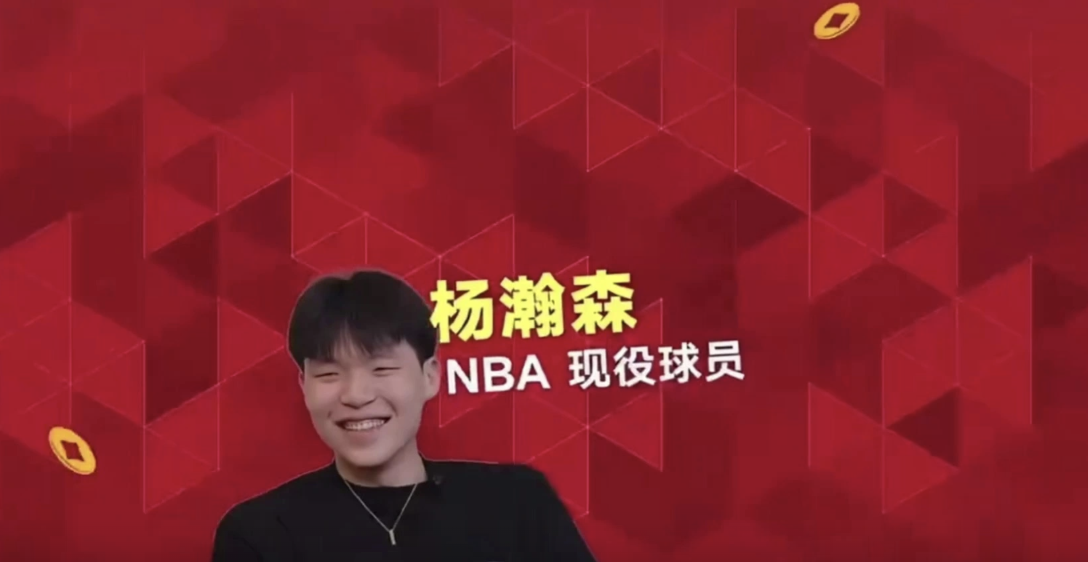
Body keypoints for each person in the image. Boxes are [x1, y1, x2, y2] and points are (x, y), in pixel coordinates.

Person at [211, 269, 597, 562]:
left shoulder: (517, 502)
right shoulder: (260, 535)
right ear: (304, 385)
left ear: (430, 377)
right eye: (329, 374)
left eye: (382, 369)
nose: (356, 395)